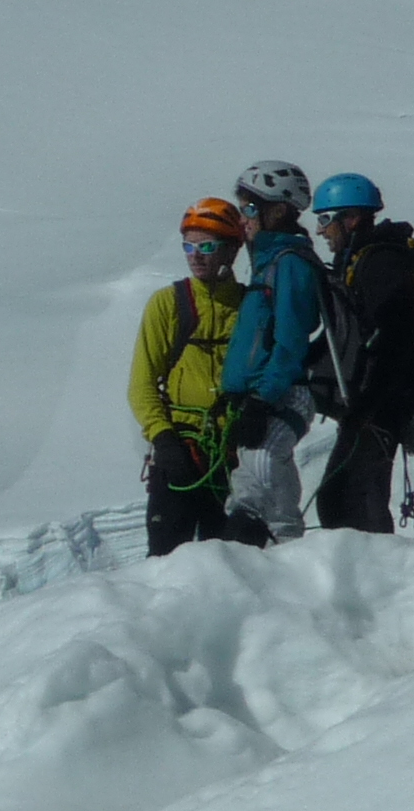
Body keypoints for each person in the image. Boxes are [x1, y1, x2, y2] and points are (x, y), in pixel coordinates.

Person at [307, 172, 414, 534]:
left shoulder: (379, 265)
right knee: (344, 499)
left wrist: (369, 399)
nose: (321, 231)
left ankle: (381, 577)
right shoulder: (369, 261)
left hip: (381, 404)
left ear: (352, 218)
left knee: (350, 501)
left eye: (326, 220)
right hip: (378, 402)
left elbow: (392, 336)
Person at [129, 198, 248, 555]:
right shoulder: (167, 304)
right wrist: (164, 440)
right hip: (180, 452)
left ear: (232, 250)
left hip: (232, 457)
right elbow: (142, 384)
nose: (195, 255)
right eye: (189, 246)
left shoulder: (249, 306)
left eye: (206, 246)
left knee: (232, 566)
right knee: (164, 565)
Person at [217, 159, 323, 545]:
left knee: (265, 468)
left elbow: (291, 341)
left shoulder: (290, 264)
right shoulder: (265, 264)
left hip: (283, 393)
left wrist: (263, 399)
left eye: (248, 208)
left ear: (277, 210)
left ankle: (290, 560)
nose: (242, 220)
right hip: (259, 396)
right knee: (247, 490)